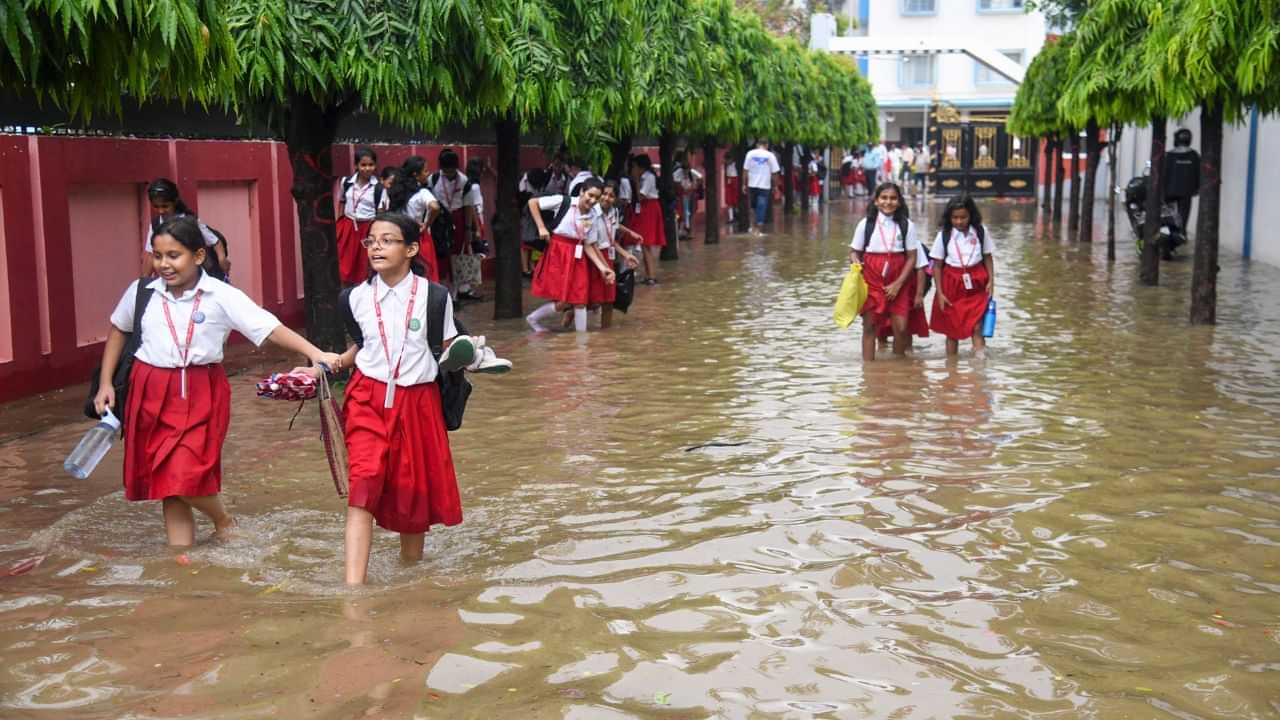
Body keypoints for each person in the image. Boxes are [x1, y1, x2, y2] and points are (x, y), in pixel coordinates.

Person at [94, 216, 340, 547]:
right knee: (168, 484)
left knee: (184, 475)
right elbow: (119, 331)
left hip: (200, 391)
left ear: (198, 256)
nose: (164, 264)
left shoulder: (221, 295)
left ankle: (224, 519)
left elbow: (268, 327)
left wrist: (315, 352)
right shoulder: (141, 292)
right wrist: (105, 383)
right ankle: (181, 557)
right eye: (158, 255)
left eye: (174, 255)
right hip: (148, 389)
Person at [326, 213, 467, 585]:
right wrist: (329, 364)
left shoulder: (435, 297)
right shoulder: (353, 298)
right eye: (371, 241)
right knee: (363, 484)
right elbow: (365, 345)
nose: (376, 247)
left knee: (411, 491)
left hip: (418, 401)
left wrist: (474, 357)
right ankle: (353, 590)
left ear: (412, 249)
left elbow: (450, 346)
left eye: (387, 240)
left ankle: (411, 574)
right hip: (366, 398)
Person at [526, 177, 615, 333]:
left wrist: (603, 268)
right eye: (590, 195)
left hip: (578, 256)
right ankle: (533, 319)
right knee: (564, 301)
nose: (593, 201)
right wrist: (541, 227)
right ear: (582, 192)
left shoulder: (593, 214)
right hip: (558, 253)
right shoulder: (563, 201)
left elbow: (588, 244)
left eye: (596, 198)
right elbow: (533, 203)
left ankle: (581, 340)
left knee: (580, 299)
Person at [848, 182, 920, 361]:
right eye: (884, 198)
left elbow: (912, 257)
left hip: (899, 279)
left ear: (899, 201)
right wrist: (855, 261)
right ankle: (868, 370)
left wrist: (898, 284)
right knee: (870, 326)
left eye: (893, 198)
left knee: (901, 328)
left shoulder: (906, 225)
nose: (888, 202)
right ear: (876, 201)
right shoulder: (866, 224)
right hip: (871, 279)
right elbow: (854, 251)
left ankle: (897, 367)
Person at [930, 196, 994, 357]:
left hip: (977, 282)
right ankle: (951, 366)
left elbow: (988, 256)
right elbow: (937, 265)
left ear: (971, 215)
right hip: (951, 284)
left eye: (963, 217)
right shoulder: (944, 235)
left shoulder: (981, 232)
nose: (959, 221)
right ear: (949, 217)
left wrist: (991, 281)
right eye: (955, 218)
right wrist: (940, 293)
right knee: (952, 331)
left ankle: (980, 365)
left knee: (977, 326)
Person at [140, 179, 230, 281]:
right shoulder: (155, 224)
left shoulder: (189, 221)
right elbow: (150, 254)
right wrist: (143, 281)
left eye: (165, 206)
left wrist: (222, 259)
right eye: (156, 206)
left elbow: (215, 241)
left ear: (175, 202)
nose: (161, 211)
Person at [427, 148, 483, 301]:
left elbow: (468, 206)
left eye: (452, 170)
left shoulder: (464, 181)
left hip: (457, 219)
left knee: (456, 255)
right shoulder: (433, 179)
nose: (449, 173)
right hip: (439, 220)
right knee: (441, 255)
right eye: (446, 170)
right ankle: (442, 291)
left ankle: (455, 294)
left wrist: (469, 229)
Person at [593, 181, 642, 329]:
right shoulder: (592, 212)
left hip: (609, 256)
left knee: (608, 300)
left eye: (611, 196)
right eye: (604, 194)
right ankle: (570, 313)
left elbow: (612, 237)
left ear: (615, 199)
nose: (607, 198)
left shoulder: (613, 211)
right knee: (590, 299)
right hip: (594, 256)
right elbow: (592, 243)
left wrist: (626, 254)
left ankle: (606, 334)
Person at [336, 147, 388, 286]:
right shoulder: (346, 183)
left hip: (367, 229)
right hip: (348, 227)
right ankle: (345, 293)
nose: (367, 168)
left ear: (375, 165)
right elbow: (342, 202)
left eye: (371, 165)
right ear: (356, 166)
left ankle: (365, 292)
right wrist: (339, 223)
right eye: (363, 165)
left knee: (365, 265)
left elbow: (381, 213)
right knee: (344, 264)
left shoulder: (378, 188)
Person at [386, 156, 442, 281]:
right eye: (425, 171)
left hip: (398, 236)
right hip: (418, 237)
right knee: (424, 274)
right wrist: (427, 224)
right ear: (416, 175)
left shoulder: (394, 191)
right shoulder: (422, 193)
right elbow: (435, 207)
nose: (428, 174)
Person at [624, 154, 666, 284]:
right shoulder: (646, 177)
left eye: (634, 167)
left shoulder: (648, 178)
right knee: (644, 243)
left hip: (649, 208)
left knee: (646, 243)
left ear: (640, 167)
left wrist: (636, 180)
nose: (633, 169)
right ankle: (649, 275)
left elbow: (640, 196)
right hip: (646, 208)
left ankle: (651, 276)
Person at [1163, 128, 1200, 232]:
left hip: (1169, 192)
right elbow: (1199, 173)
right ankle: (1182, 233)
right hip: (1186, 192)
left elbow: (1163, 174)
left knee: (1170, 216)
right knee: (1184, 216)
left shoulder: (1168, 155)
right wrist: (1197, 189)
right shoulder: (1194, 155)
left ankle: (1173, 232)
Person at [744, 140, 781, 236]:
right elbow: (775, 173)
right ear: (767, 145)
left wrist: (743, 184)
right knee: (761, 207)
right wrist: (776, 186)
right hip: (764, 186)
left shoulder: (750, 153)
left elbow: (745, 170)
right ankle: (758, 231)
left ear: (757, 145)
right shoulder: (770, 155)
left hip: (752, 184)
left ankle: (752, 227)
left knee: (753, 207)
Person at [724, 154, 740, 224]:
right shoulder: (726, 166)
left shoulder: (736, 165)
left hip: (735, 182)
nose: (726, 161)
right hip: (729, 183)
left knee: (736, 201)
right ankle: (731, 218)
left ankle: (737, 216)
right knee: (729, 201)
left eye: (727, 160)